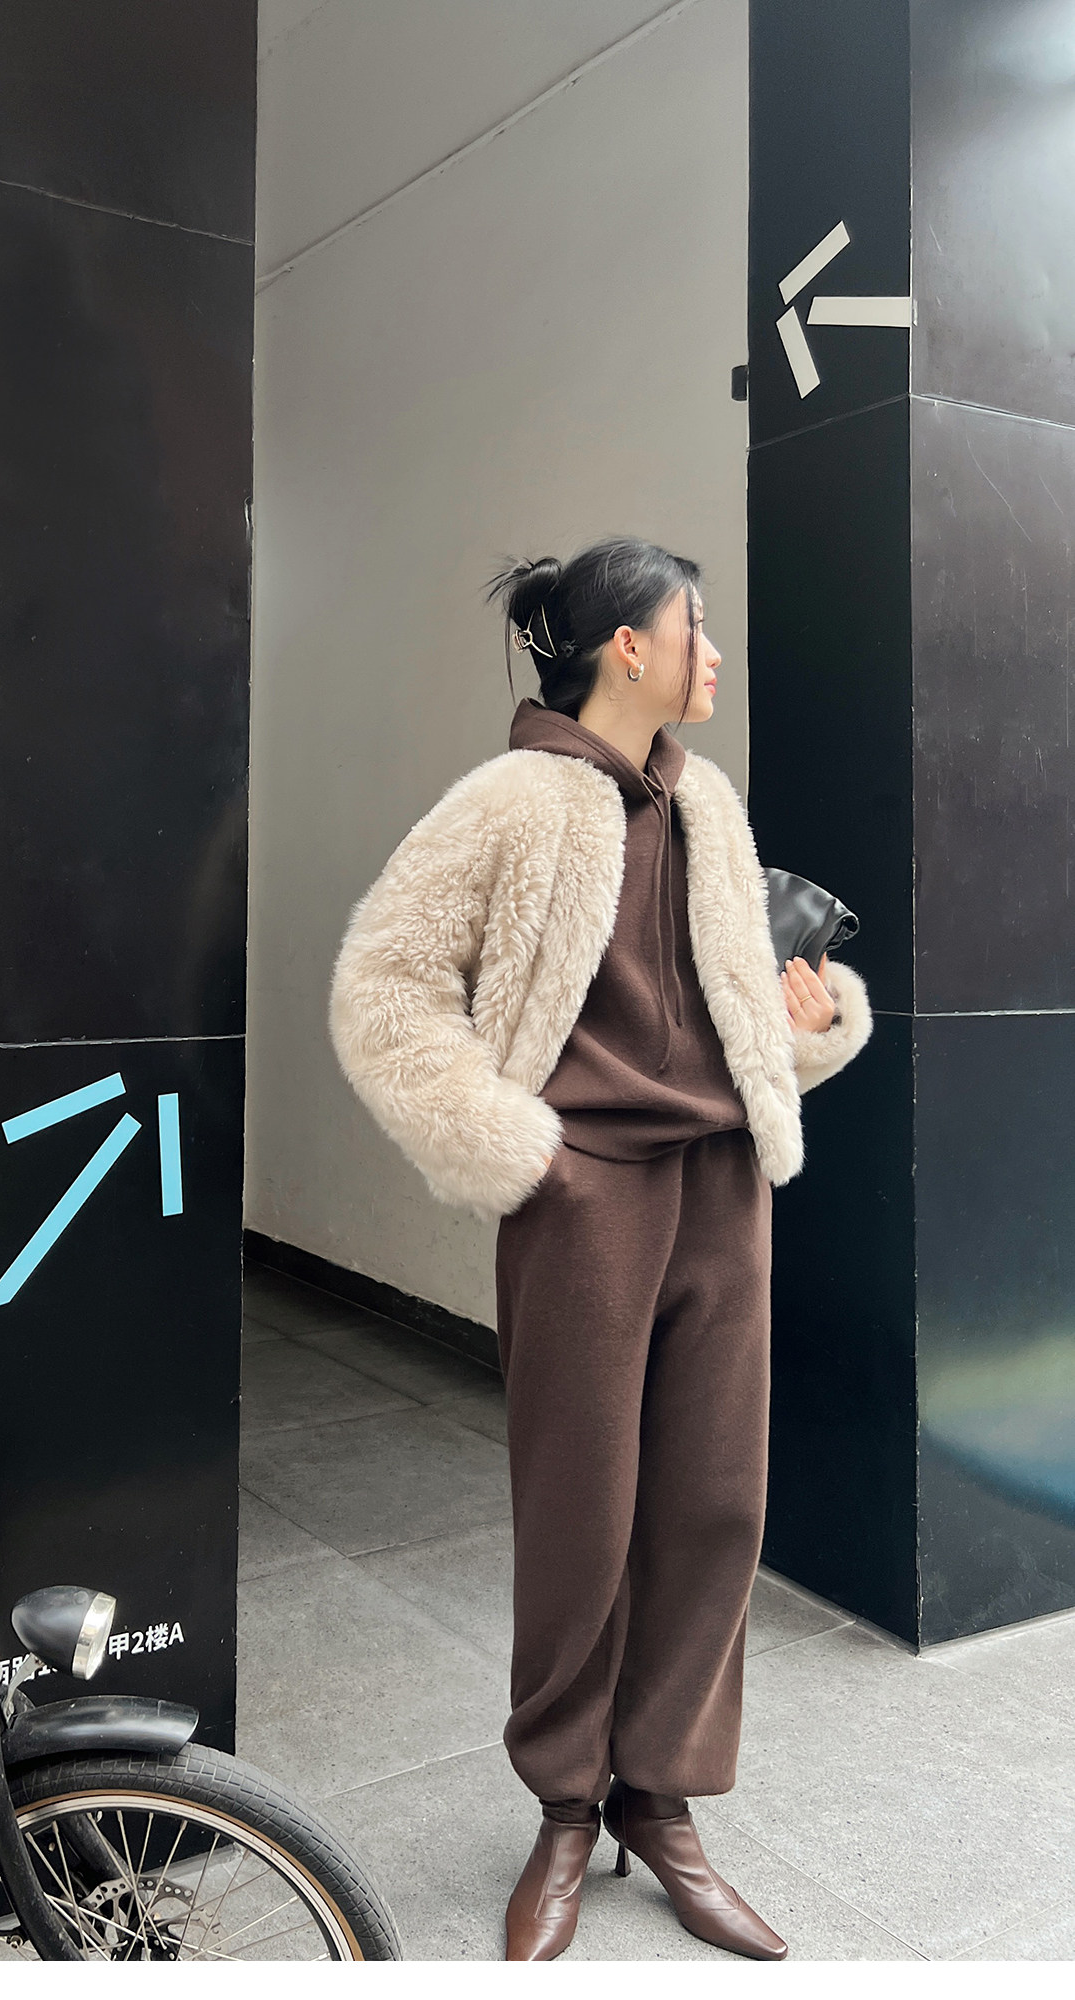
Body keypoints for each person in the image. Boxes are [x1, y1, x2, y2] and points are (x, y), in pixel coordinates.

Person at [328, 538, 871, 1962]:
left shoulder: (710, 806)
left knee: (713, 1506)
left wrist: (813, 1029)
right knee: (582, 1513)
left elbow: (733, 1008)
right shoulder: (510, 800)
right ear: (629, 646)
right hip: (585, 1201)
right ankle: (566, 1808)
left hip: (723, 1193)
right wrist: (519, 1152)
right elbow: (384, 986)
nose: (714, 653)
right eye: (696, 627)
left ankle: (661, 1801)